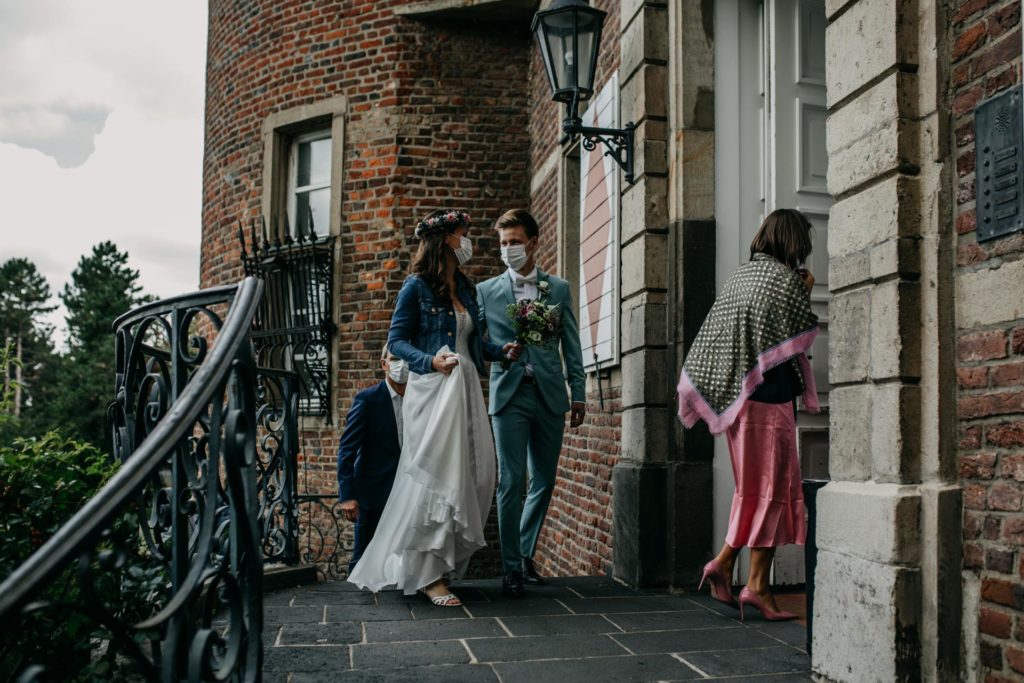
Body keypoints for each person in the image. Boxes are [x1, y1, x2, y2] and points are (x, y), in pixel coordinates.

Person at [347, 209, 520, 607]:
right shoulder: (416, 287)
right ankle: (429, 575)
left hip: (466, 389)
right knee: (440, 476)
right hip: (435, 388)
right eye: (462, 234)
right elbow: (397, 342)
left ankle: (443, 560)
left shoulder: (468, 289)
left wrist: (502, 351)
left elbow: (473, 345)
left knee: (474, 476)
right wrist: (431, 362)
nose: (468, 243)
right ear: (444, 240)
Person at [676, 208, 819, 622]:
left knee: (752, 490)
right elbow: (793, 332)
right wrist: (803, 291)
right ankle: (757, 586)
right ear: (793, 242)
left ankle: (722, 564)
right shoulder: (780, 279)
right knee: (772, 490)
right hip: (768, 399)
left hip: (740, 402)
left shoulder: (744, 275)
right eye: (803, 245)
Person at [477, 208, 586, 598]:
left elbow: (571, 344)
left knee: (544, 480)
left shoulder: (558, 289)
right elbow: (476, 345)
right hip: (508, 394)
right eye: (503, 243)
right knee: (511, 482)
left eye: (515, 242)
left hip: (549, 394)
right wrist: (497, 353)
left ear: (533, 242)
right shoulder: (486, 292)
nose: (508, 249)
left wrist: (580, 391)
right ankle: (510, 569)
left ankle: (525, 554)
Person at [336, 346, 407, 572]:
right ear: (384, 364)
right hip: (372, 494)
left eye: (405, 359)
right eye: (395, 359)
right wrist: (348, 496)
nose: (401, 365)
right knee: (362, 563)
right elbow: (346, 450)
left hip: (407, 492)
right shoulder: (367, 400)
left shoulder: (420, 400)